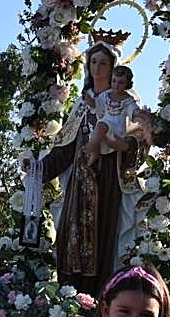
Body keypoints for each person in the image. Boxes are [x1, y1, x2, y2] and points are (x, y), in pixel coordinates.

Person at [32, 40, 151, 294]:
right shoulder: (82, 104)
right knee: (70, 236)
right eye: (93, 62)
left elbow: (138, 139)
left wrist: (123, 144)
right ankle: (70, 295)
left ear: (114, 68)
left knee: (103, 236)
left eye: (103, 63)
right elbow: (65, 148)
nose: (97, 68)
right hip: (79, 180)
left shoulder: (125, 102)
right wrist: (38, 168)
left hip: (107, 180)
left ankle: (101, 296)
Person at [85, 65, 141, 166]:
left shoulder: (127, 100)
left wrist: (138, 113)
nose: (116, 85)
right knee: (97, 132)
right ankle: (94, 153)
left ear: (127, 84)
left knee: (101, 126)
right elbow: (98, 106)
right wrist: (91, 102)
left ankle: (88, 149)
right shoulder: (106, 95)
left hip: (116, 129)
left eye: (121, 82)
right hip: (103, 128)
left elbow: (133, 110)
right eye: (114, 81)